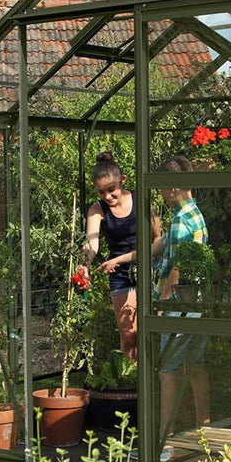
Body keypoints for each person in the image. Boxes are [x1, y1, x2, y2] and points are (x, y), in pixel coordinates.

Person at [84, 151, 161, 363]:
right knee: (128, 336)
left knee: (154, 332)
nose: (108, 196)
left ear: (122, 181)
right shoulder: (97, 210)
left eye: (111, 190)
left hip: (149, 268)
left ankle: (156, 379)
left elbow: (158, 240)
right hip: (120, 274)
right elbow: (92, 243)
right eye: (101, 192)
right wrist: (85, 266)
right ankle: (133, 383)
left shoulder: (142, 200)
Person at [155, 155, 210, 443]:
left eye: (163, 187)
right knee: (196, 366)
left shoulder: (179, 220)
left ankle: (165, 440)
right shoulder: (196, 215)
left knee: (167, 371)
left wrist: (162, 305)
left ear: (173, 186)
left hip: (177, 306)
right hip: (196, 303)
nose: (162, 194)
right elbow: (165, 247)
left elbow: (177, 268)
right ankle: (205, 429)